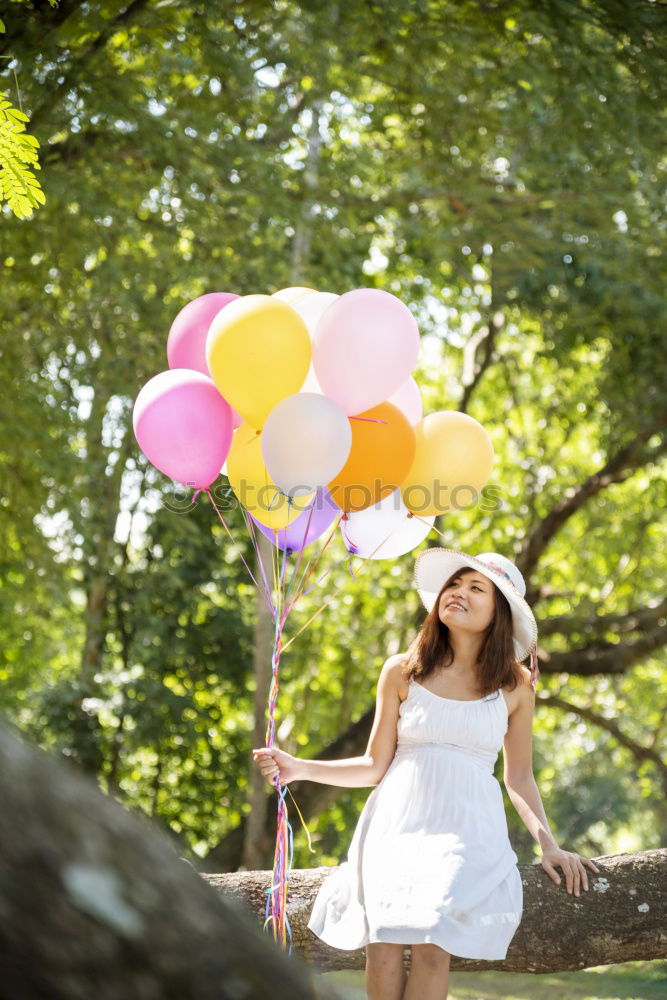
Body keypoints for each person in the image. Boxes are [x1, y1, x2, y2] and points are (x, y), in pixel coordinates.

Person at [253, 548, 601, 1000]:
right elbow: (375, 765)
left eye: (476, 588)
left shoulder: (514, 685)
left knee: (434, 945)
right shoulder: (403, 670)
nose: (457, 592)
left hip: (467, 830)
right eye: (454, 583)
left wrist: (548, 844)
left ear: (499, 612)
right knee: (382, 945)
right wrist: (299, 767)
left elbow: (518, 778)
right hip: (396, 826)